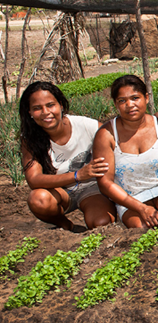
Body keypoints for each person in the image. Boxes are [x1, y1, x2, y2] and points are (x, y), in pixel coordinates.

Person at [93, 75, 158, 228]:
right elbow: (105, 183)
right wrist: (141, 208)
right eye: (122, 101)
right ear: (115, 104)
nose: (130, 105)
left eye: (135, 98)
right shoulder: (106, 135)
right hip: (131, 196)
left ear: (146, 98)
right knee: (141, 227)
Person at [19, 81, 117, 231]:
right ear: (29, 113)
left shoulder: (85, 126)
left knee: (101, 223)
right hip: (62, 191)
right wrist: (78, 175)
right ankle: (66, 226)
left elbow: (120, 140)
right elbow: (34, 180)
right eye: (37, 108)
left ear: (61, 105)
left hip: (93, 187)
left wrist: (154, 121)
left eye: (50, 105)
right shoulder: (30, 140)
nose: (45, 112)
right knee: (38, 199)